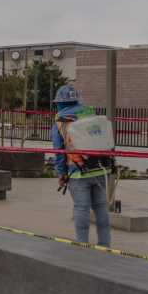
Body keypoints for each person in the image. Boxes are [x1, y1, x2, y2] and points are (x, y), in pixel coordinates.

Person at [52, 85, 112, 247]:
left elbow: (59, 152)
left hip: (77, 172)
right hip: (100, 168)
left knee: (81, 208)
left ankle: (82, 244)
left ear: (59, 103)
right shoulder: (91, 113)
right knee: (101, 207)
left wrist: (61, 174)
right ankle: (105, 245)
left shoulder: (60, 121)